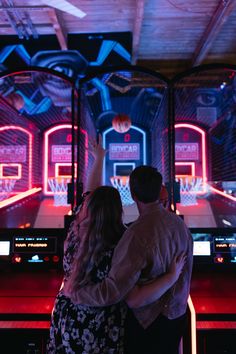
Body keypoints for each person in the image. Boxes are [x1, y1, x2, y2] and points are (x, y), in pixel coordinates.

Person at [64, 165, 193, 354]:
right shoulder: (181, 226)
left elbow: (117, 293)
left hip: (148, 323)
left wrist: (75, 293)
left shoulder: (134, 235)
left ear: (132, 194)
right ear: (159, 191)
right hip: (177, 316)